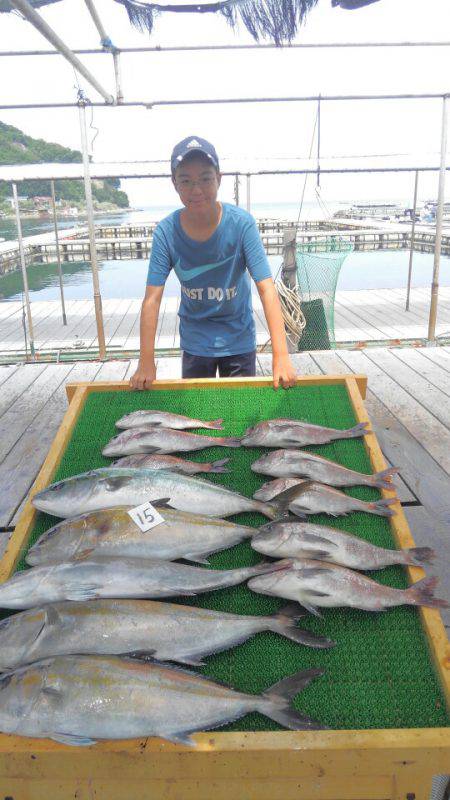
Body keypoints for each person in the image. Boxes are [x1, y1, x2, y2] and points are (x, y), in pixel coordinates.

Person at [130, 136, 296, 390]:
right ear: (175, 184)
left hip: (238, 338)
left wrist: (281, 356)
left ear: (219, 178)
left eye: (205, 179)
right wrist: (146, 361)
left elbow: (266, 288)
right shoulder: (166, 232)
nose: (196, 190)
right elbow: (152, 299)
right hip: (195, 341)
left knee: (241, 415)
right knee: (197, 417)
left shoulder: (242, 225)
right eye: (186, 181)